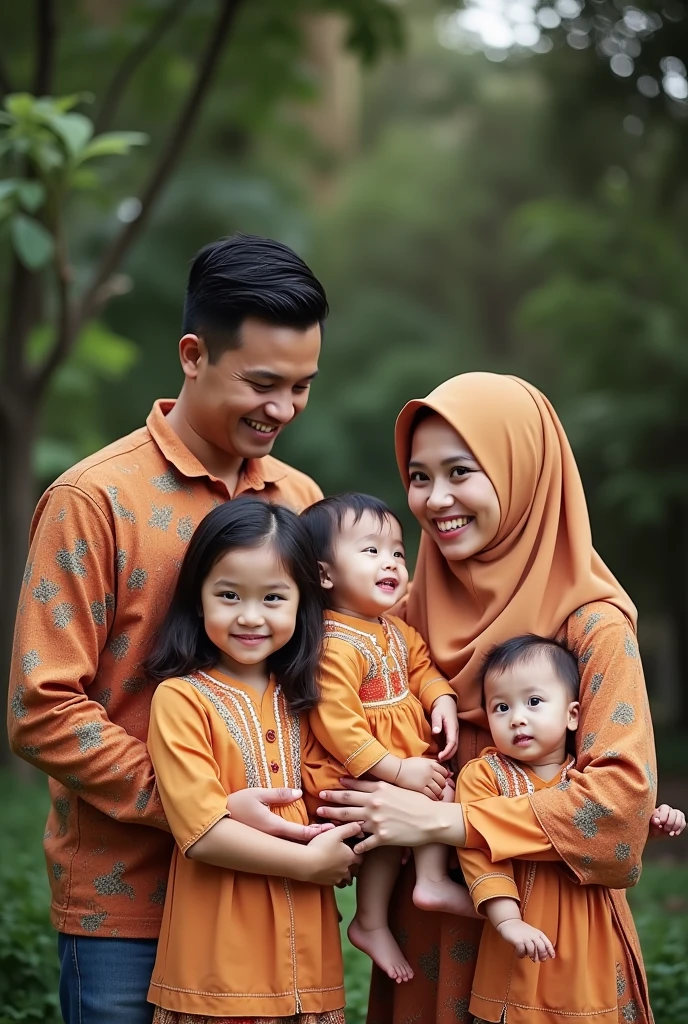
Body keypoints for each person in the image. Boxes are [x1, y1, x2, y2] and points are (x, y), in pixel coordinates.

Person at [7, 234, 329, 1024]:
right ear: (192, 354)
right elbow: (41, 708)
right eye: (261, 383)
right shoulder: (94, 500)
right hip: (129, 907)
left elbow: (329, 672)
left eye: (302, 386)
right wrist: (203, 808)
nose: (282, 409)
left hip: (270, 896)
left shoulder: (300, 499)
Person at [317, 373, 671, 1024]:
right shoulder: (404, 614)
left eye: (460, 471)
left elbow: (618, 813)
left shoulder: (591, 624)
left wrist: (442, 823)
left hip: (550, 936)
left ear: (524, 473)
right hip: (427, 934)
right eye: (419, 477)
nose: (435, 498)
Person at [143, 498, 361, 1024]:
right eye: (228, 595)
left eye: (273, 598)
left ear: (301, 602)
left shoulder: (312, 699)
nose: (249, 616)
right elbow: (203, 833)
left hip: (309, 969)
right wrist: (312, 863)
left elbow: (337, 793)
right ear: (198, 598)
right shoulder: (181, 699)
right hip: (217, 970)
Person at [458, 634, 685, 1024]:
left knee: (589, 1008)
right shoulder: (484, 776)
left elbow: (613, 829)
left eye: (533, 702)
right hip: (524, 930)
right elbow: (477, 850)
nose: (517, 717)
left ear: (573, 714)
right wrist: (506, 918)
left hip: (590, 930)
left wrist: (648, 826)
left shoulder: (589, 778)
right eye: (501, 707)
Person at [300, 493, 476, 985]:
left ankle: (426, 882)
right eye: (371, 551)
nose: (391, 563)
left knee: (430, 802)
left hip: (401, 759)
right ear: (325, 575)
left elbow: (422, 668)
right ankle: (374, 918)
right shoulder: (333, 642)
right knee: (394, 818)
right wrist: (397, 770)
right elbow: (336, 723)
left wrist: (440, 698)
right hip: (358, 766)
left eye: (398, 552)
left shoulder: (394, 630)